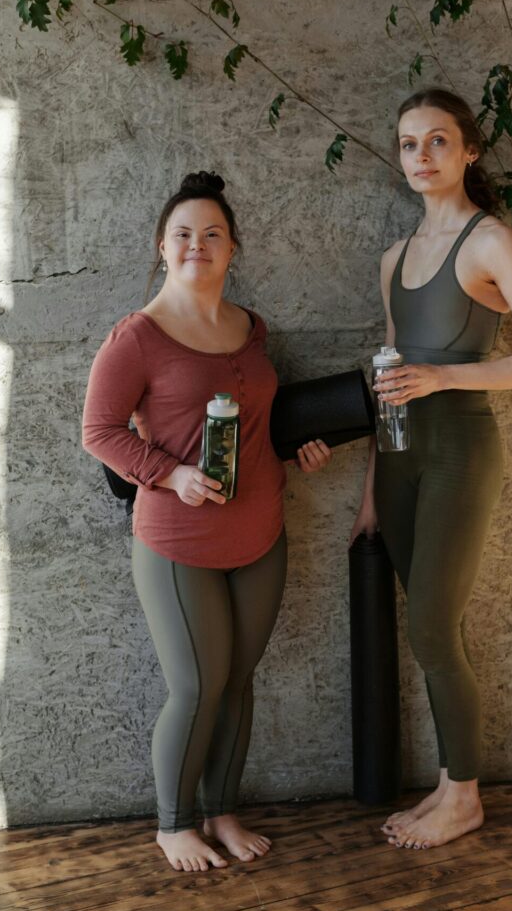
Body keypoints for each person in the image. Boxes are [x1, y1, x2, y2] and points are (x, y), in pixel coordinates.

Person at [82, 172, 331, 872]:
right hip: (176, 541)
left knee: (238, 679)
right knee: (195, 685)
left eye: (213, 234)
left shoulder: (250, 328)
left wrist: (297, 450)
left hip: (260, 533)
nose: (199, 244)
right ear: (162, 246)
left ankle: (221, 811)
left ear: (232, 249)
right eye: (184, 234)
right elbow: (99, 431)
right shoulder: (137, 336)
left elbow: (254, 422)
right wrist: (171, 474)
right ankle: (173, 823)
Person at [350, 88, 512, 850]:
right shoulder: (392, 262)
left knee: (431, 625)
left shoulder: (492, 243)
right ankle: (450, 784)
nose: (421, 157)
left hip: (459, 454)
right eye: (409, 144)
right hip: (401, 461)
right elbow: (387, 381)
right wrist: (369, 493)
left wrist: (445, 378)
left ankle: (463, 796)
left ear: (469, 150)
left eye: (437, 141)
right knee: (434, 630)